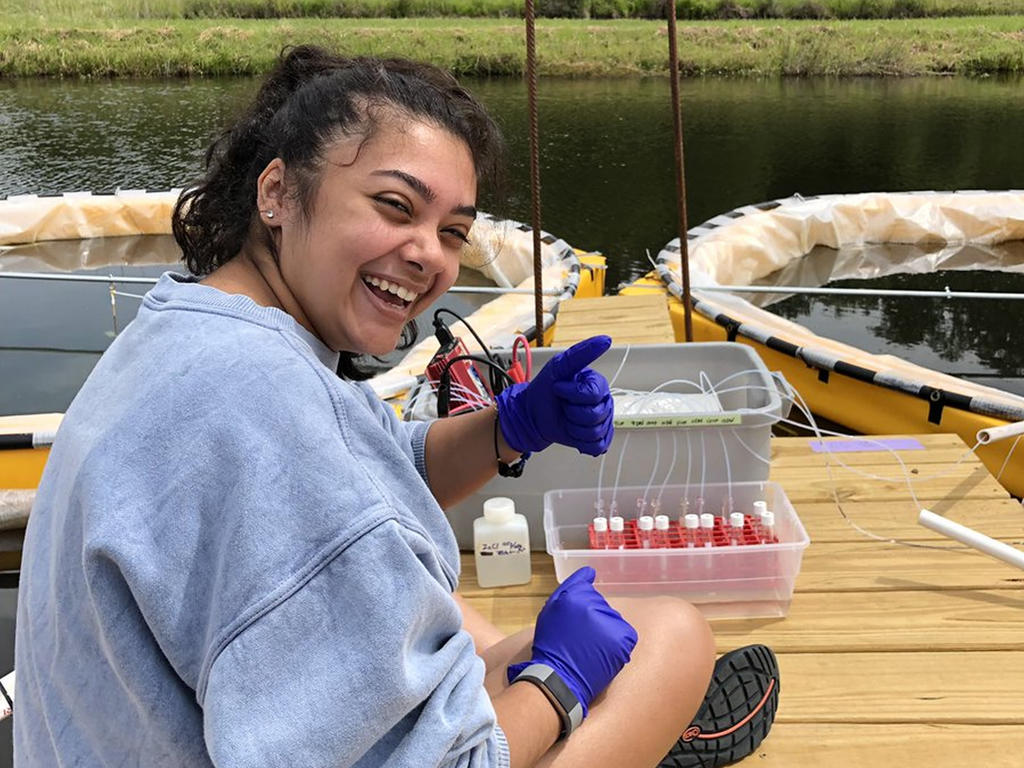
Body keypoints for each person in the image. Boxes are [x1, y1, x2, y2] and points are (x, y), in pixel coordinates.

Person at [13, 46, 777, 767]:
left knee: (451, 611)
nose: (428, 255)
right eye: (393, 205)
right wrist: (558, 682)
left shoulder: (194, 324)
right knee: (669, 638)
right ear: (276, 191)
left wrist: (511, 427)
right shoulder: (260, 403)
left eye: (452, 232)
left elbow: (376, 468)